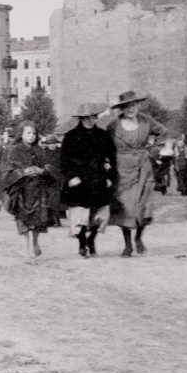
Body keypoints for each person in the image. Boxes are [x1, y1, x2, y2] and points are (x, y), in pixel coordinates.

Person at [106, 92, 166, 256]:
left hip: (143, 166)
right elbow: (105, 146)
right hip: (122, 169)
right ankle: (127, 245)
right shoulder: (113, 126)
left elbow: (162, 132)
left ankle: (138, 238)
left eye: (133, 105)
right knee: (126, 207)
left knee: (143, 206)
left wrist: (153, 150)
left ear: (138, 105)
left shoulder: (146, 121)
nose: (130, 109)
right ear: (122, 109)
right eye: (126, 106)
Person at [59, 103, 118, 258]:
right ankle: (82, 243)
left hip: (98, 179)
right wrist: (71, 177)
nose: (91, 120)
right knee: (80, 217)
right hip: (79, 181)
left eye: (93, 116)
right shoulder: (71, 136)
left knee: (99, 216)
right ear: (81, 118)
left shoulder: (103, 135)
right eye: (87, 117)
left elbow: (111, 157)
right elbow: (64, 161)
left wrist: (110, 177)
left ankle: (91, 239)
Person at [2, 120, 61, 261]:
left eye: (34, 133)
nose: (31, 136)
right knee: (22, 220)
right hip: (21, 191)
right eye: (28, 133)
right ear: (21, 134)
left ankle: (34, 243)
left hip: (38, 189)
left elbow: (51, 169)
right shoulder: (13, 150)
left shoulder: (40, 150)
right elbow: (6, 172)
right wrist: (22, 172)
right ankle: (26, 250)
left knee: (37, 221)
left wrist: (42, 171)